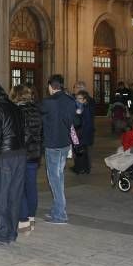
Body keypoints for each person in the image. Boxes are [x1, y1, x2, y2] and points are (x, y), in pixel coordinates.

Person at [0, 85, 26, 247]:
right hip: (20, 155)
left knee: (1, 196)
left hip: (5, 157)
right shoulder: (16, 108)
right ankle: (12, 233)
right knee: (14, 196)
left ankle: (2, 235)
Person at [41, 74, 77, 224]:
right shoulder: (70, 100)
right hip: (65, 143)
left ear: (50, 86)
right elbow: (76, 120)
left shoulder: (48, 102)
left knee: (54, 178)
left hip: (52, 144)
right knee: (59, 176)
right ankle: (57, 209)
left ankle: (60, 213)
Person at [12, 85, 42, 234]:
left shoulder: (18, 111)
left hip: (22, 153)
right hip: (35, 153)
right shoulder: (37, 109)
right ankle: (31, 218)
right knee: (31, 186)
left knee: (20, 186)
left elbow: (22, 134)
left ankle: (23, 220)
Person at [72, 90, 95, 174]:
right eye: (76, 98)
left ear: (85, 100)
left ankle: (80, 168)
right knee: (81, 151)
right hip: (78, 133)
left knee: (80, 152)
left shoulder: (86, 108)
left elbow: (87, 123)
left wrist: (82, 135)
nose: (77, 100)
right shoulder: (81, 107)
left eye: (80, 98)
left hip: (82, 134)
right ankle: (83, 168)